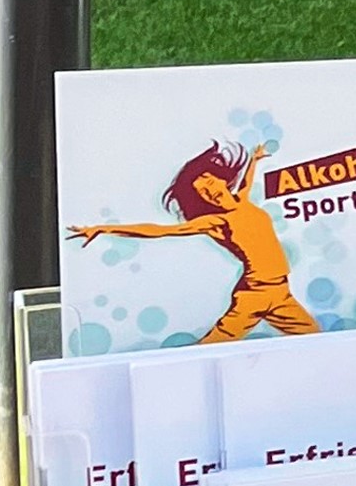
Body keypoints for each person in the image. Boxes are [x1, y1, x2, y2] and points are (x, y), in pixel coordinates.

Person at [69, 139, 319, 341]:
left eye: (210, 182)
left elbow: (245, 182)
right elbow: (159, 231)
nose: (210, 190)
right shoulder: (216, 222)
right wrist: (103, 228)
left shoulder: (242, 202)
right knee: (207, 350)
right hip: (255, 294)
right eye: (203, 191)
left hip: (281, 292)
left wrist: (254, 159)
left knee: (316, 339)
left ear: (222, 179)